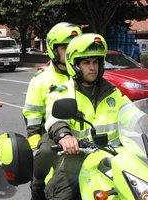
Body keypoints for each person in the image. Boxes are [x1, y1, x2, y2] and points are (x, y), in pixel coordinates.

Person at [43, 33, 132, 200]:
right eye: (86, 62)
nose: (93, 67)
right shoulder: (63, 92)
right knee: (62, 195)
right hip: (77, 157)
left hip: (113, 158)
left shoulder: (113, 93)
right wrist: (65, 136)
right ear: (75, 65)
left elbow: (133, 114)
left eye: (96, 62)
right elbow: (54, 119)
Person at [22, 22, 82, 200]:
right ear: (54, 50)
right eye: (65, 48)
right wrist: (35, 144)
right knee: (46, 151)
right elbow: (32, 114)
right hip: (52, 132)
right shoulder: (41, 79)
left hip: (83, 133)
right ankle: (37, 183)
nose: (71, 52)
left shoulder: (83, 73)